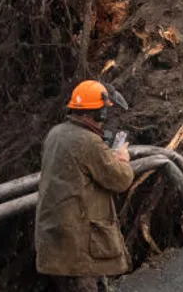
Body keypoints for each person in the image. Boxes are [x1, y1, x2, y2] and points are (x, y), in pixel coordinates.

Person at [35, 80, 135, 292]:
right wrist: (122, 159)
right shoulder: (89, 142)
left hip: (54, 236)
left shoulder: (56, 134)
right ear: (99, 114)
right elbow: (121, 180)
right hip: (79, 242)